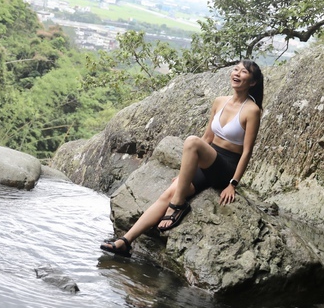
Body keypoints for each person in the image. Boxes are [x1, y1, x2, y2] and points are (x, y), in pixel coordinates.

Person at [101, 60, 264, 257]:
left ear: (252, 82)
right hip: (208, 161)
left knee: (191, 142)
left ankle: (178, 204)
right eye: (236, 69)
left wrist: (233, 184)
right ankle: (125, 241)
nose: (237, 73)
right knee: (168, 193)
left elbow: (247, 151)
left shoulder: (252, 110)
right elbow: (207, 139)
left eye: (244, 72)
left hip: (226, 167)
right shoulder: (220, 101)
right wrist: (183, 176)